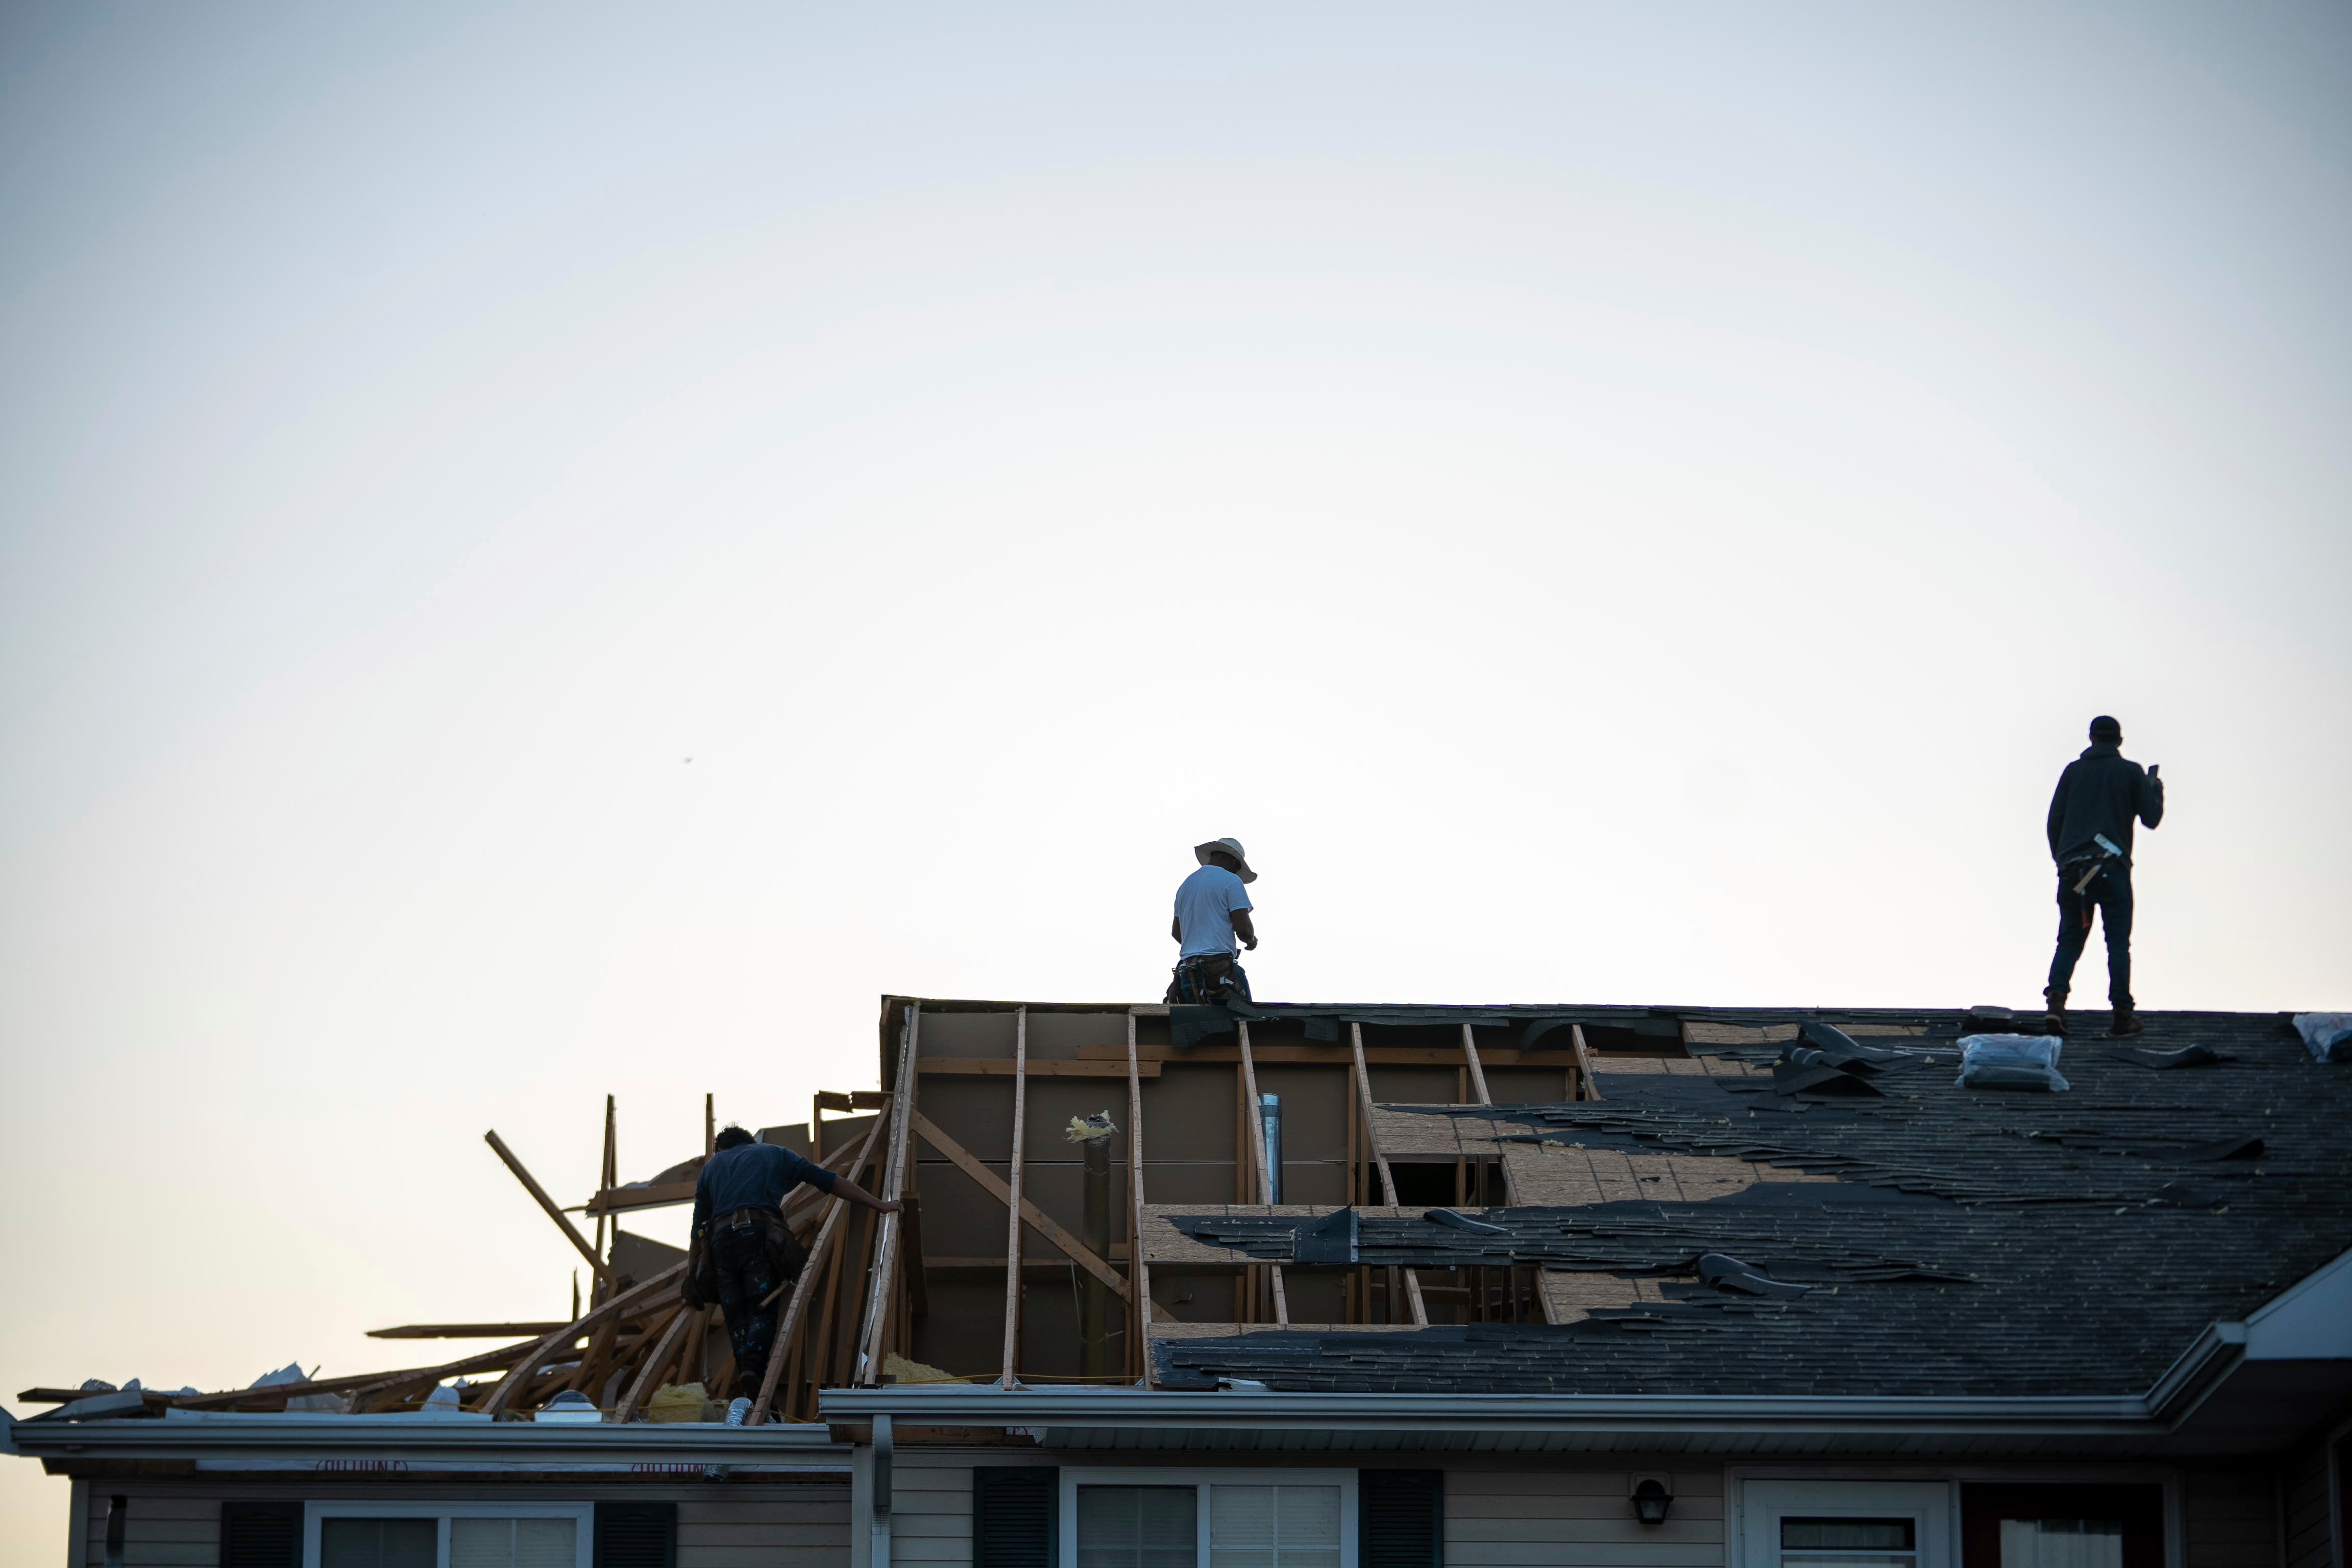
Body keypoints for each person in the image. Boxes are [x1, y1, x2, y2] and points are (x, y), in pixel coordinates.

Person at [688, 1124, 899, 1409]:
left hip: (721, 1244)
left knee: (737, 1320)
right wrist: (879, 1205)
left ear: (723, 1149)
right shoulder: (774, 1153)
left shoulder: (712, 1168)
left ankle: (755, 1392)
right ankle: (753, 1373)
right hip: (756, 1235)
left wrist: (692, 1275)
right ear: (748, 1143)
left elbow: (698, 1230)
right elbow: (829, 1181)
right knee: (761, 1307)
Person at [2042, 716, 2164, 1037]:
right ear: (2119, 742)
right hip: (2111, 869)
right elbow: (2151, 819)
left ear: (2091, 739)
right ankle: (2122, 1016)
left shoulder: (2073, 772)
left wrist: (2063, 861)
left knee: (2069, 939)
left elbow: (2054, 821)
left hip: (2075, 873)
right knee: (2117, 945)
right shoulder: (2131, 772)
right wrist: (2155, 792)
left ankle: (2056, 1004)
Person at [1166, 837, 1258, 1004]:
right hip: (1220, 973)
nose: (1237, 873)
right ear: (1233, 861)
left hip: (1187, 972)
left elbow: (1177, 933)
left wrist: (1202, 945)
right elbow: (1244, 930)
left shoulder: (1186, 885)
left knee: (1196, 1026)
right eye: (1238, 868)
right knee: (1248, 1019)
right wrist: (1251, 941)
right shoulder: (1232, 881)